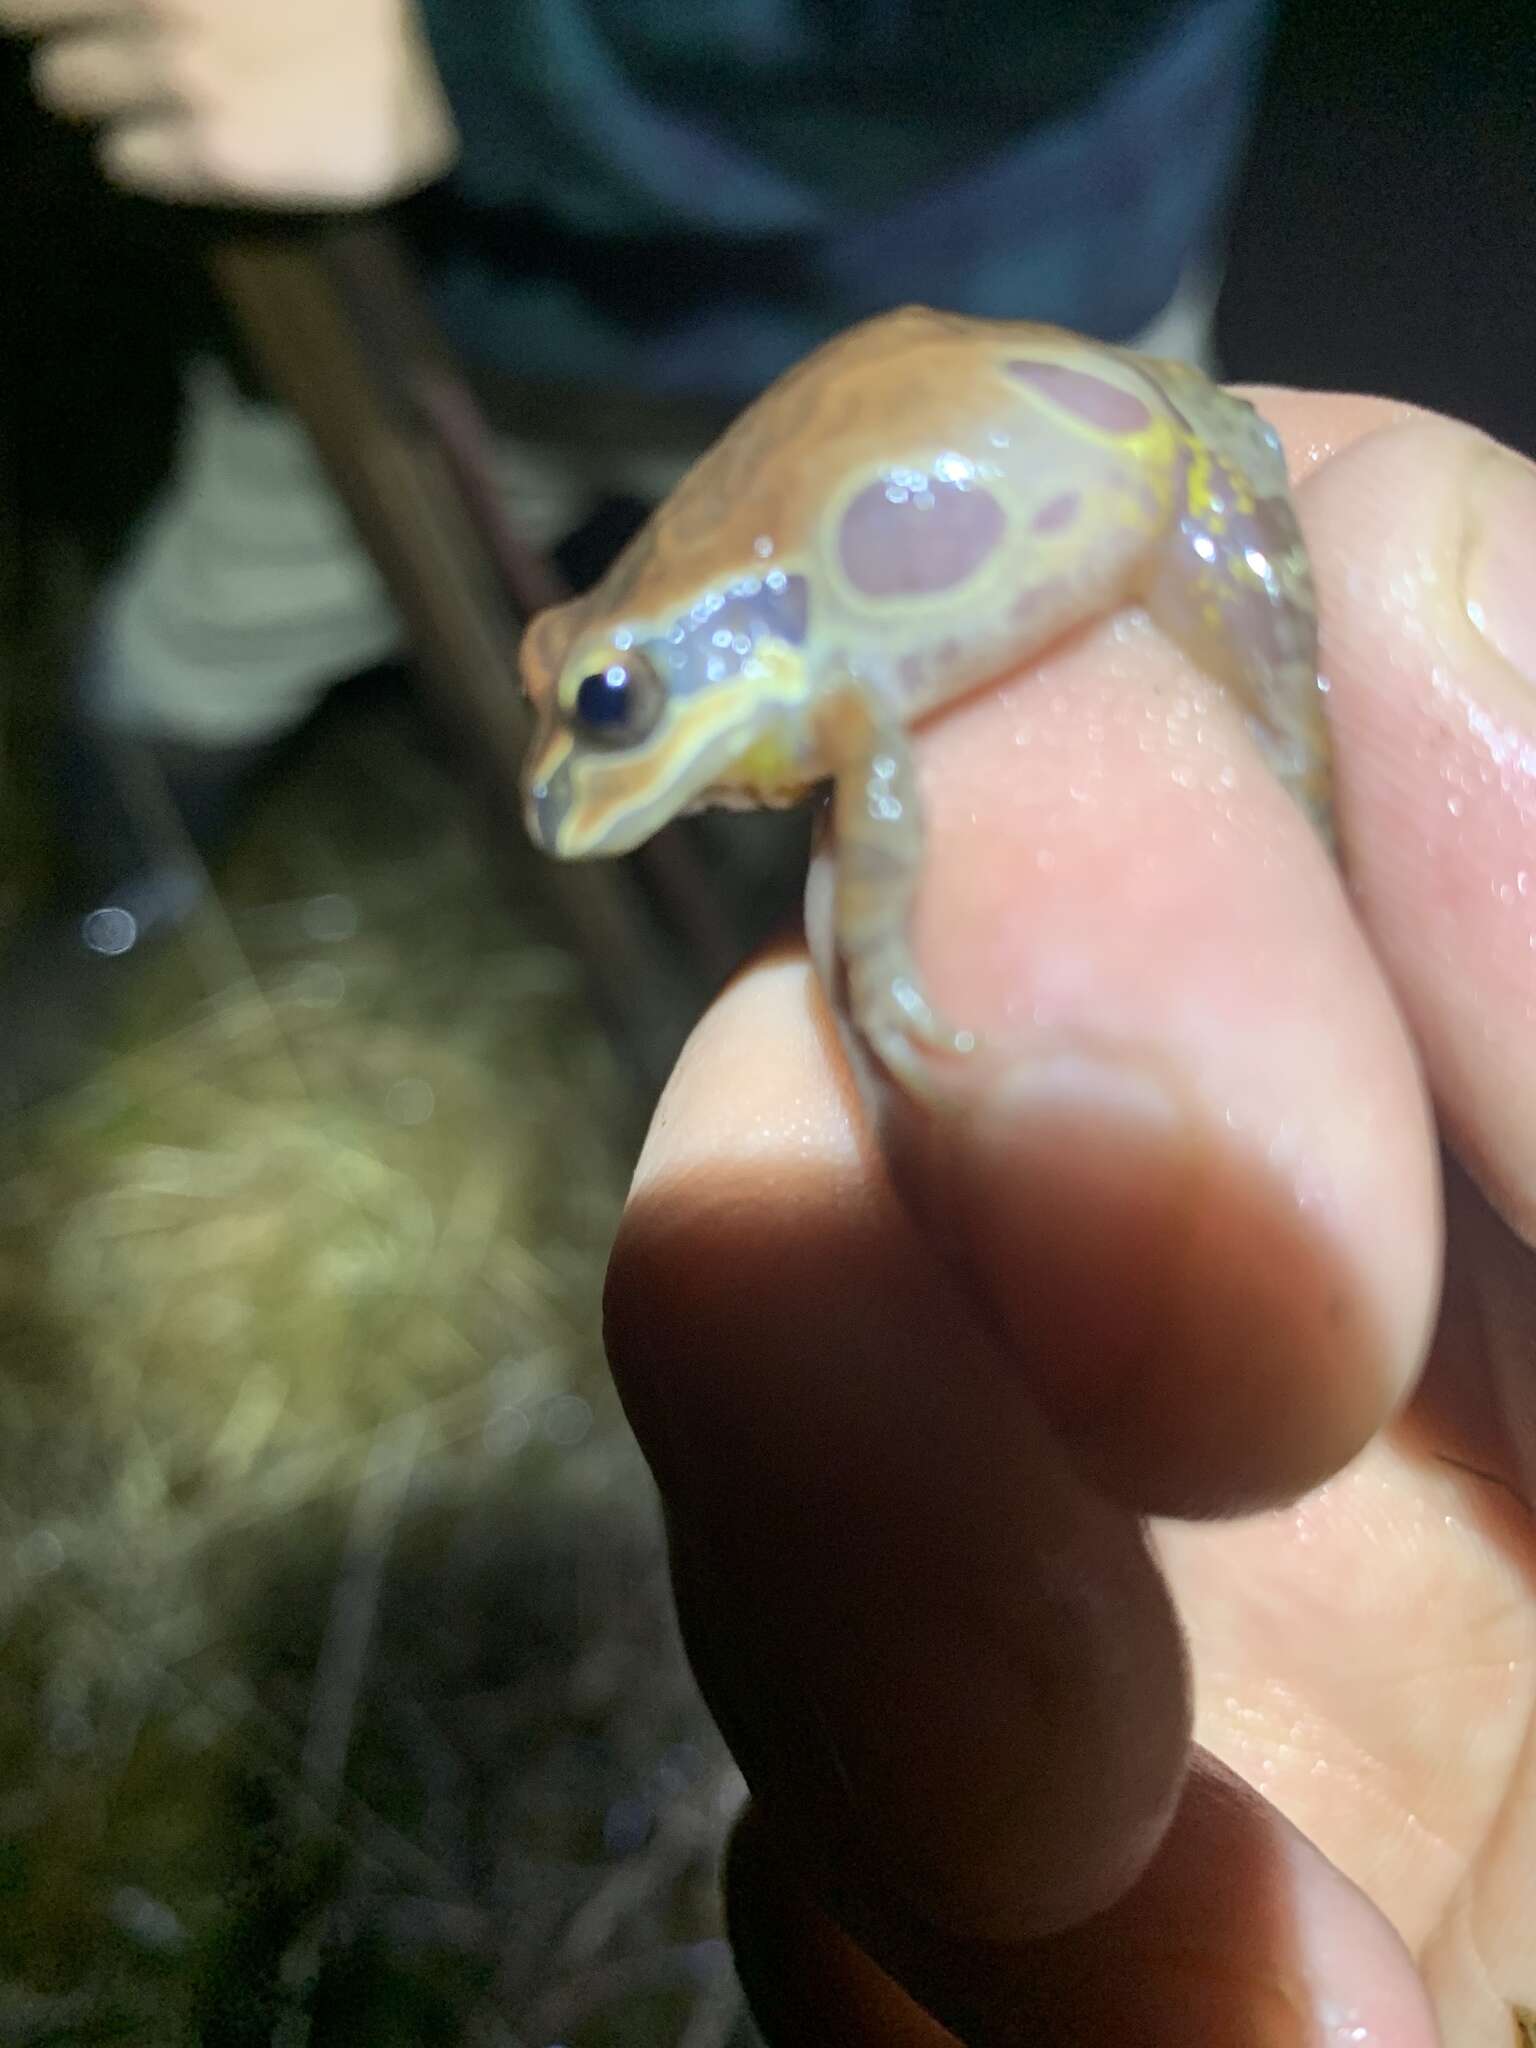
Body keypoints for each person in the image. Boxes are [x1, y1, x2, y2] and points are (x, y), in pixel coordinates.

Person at [602, 389, 1536, 2041]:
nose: (573, 778)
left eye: (603, 708)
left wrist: (886, 960)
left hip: (1131, 480)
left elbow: (882, 776)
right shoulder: (769, 639)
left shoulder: (804, 661)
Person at [0, 0, 1272, 985]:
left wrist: (474, 49)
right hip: (446, 309)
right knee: (194, 652)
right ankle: (112, 906)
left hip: (985, 288)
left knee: (1119, 741)